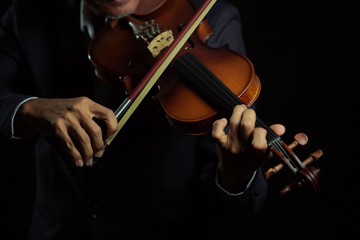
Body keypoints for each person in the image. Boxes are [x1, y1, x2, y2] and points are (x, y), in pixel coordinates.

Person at [0, 0, 284, 239]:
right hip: (57, 229)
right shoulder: (28, 12)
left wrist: (235, 176)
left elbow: (232, 210)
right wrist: (30, 109)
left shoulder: (209, 17)